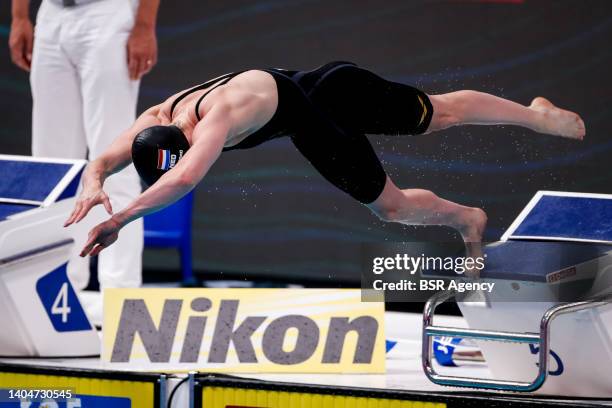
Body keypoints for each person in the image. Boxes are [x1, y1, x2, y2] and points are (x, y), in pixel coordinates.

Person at [64, 61, 585, 268]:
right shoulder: (159, 115)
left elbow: (185, 177)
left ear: (189, 137)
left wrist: (116, 220)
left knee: (441, 112)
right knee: (394, 210)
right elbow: (105, 158)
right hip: (311, 120)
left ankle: (535, 117)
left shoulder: (215, 118)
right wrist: (93, 183)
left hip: (335, 92)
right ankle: (466, 218)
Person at [9, 0, 160, 293]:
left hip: (108, 13)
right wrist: (18, 16)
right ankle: (61, 291)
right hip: (51, 15)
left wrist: (144, 25)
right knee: (52, 168)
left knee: (115, 160)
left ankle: (120, 291)